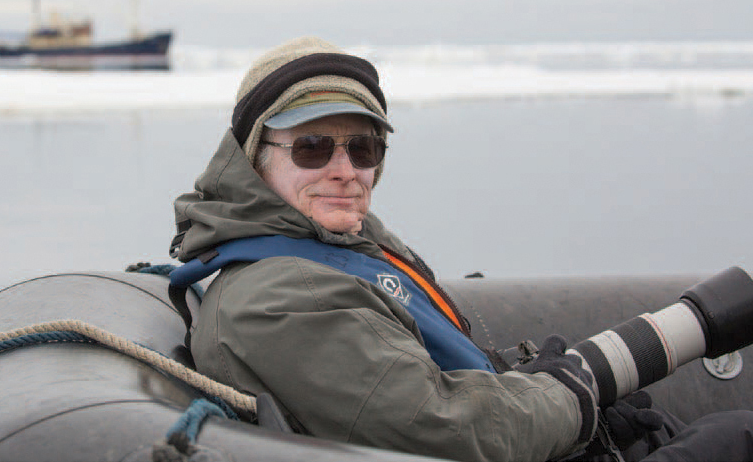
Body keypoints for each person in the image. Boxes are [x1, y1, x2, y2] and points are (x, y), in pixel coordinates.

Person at [168, 36, 753, 462]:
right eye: (313, 147)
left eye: (364, 149)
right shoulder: (279, 299)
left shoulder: (331, 246)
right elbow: (453, 431)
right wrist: (576, 396)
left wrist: (532, 382)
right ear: (254, 156)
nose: (345, 170)